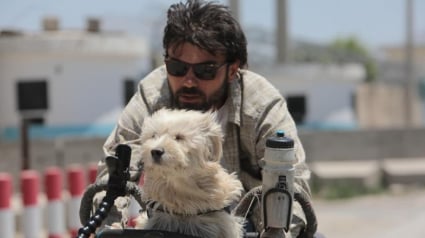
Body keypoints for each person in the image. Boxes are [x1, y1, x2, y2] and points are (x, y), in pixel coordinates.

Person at [94, 0, 314, 237]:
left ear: (232, 70)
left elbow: (293, 184)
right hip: (165, 223)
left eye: (205, 70)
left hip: (245, 225)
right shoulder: (152, 94)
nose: (188, 81)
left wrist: (277, 232)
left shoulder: (261, 105)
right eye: (177, 67)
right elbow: (114, 170)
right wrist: (111, 226)